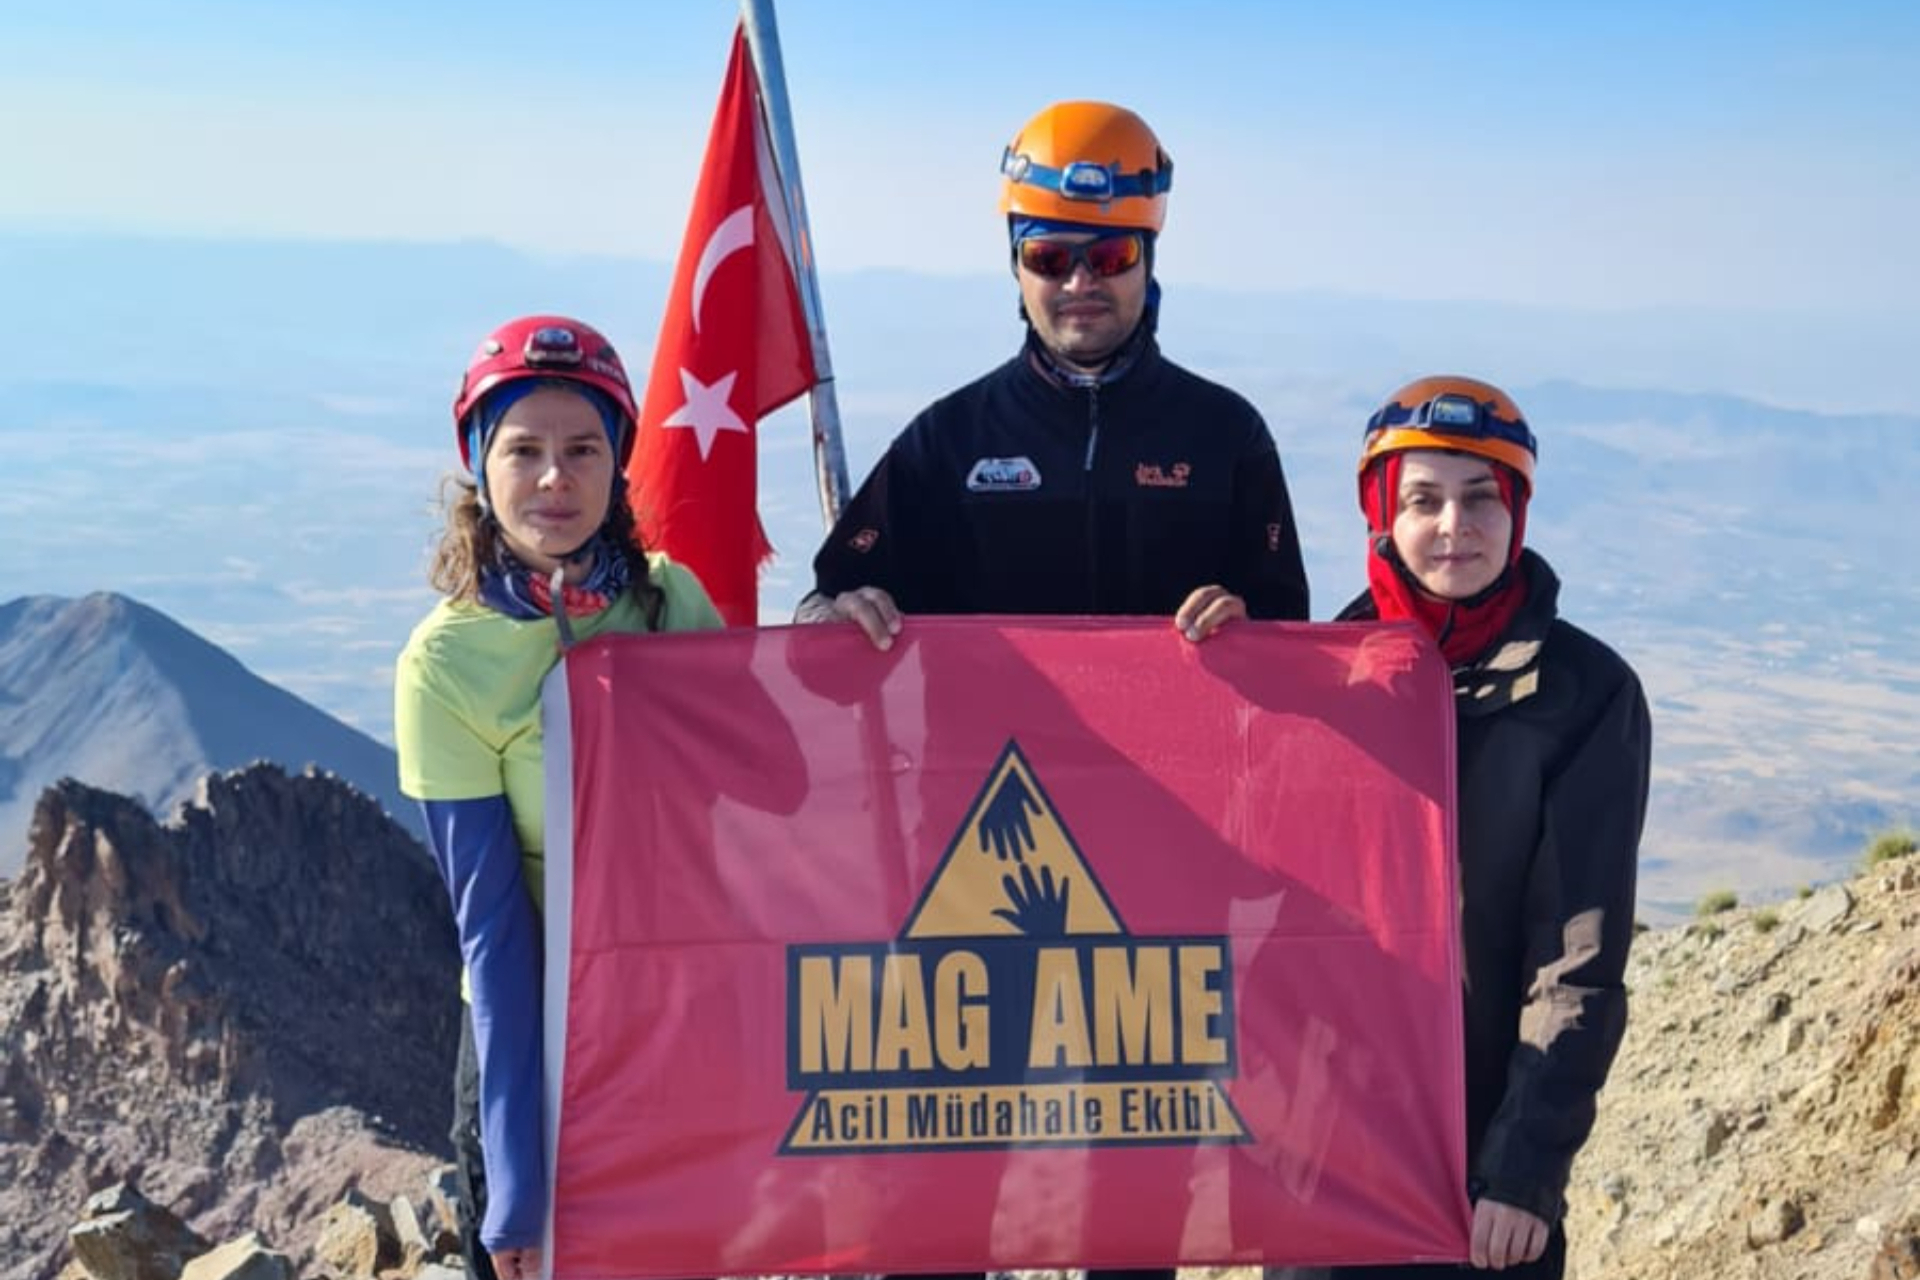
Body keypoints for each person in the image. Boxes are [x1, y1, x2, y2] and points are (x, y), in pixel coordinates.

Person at [394, 315, 724, 1280]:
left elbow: (778, 785)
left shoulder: (672, 602)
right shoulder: (444, 665)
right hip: (527, 1038)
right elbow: (492, 933)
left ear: (618, 462)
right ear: (477, 463)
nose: (554, 478)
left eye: (583, 449)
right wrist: (515, 1193)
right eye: (523, 450)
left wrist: (840, 627)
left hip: (670, 1021)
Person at [1326, 375, 1651, 1277]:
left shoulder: (1586, 695)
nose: (1453, 527)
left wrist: (1523, 1173)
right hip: (1327, 1171)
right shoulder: (1320, 680)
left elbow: (1576, 961)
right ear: (1382, 513)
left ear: (1518, 514)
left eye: (1481, 500)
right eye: (1422, 500)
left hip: (1480, 1190)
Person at [797, 99, 1309, 645]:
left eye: (1112, 257)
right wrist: (838, 615)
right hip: (988, 733)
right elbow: (825, 601)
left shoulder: (1227, 435)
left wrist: (1254, 632)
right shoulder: (946, 440)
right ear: (1016, 267)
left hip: (1178, 732)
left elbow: (1293, 640)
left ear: (1149, 262)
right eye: (1049, 258)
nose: (1079, 284)